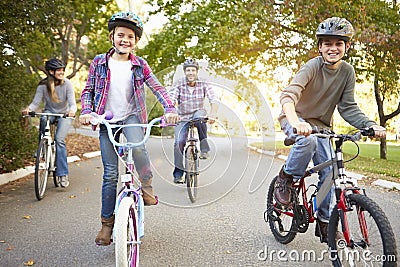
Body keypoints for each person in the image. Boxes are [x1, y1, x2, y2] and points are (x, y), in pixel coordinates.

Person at [274, 17, 386, 243]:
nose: (333, 48)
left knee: (330, 172)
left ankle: (325, 223)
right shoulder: (312, 67)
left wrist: (370, 125)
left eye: (338, 43)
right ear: (320, 47)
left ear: (347, 46)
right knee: (308, 141)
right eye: (327, 43)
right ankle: (285, 179)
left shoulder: (347, 72)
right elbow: (288, 96)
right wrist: (296, 122)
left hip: (322, 126)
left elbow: (348, 107)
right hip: (295, 118)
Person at [78, 11, 178, 246]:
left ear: (136, 41)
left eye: (130, 37)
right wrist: (86, 111)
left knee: (139, 148)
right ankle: (106, 225)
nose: (125, 40)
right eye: (121, 35)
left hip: (132, 116)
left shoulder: (140, 64)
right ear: (112, 36)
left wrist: (170, 108)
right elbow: (88, 91)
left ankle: (146, 184)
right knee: (110, 173)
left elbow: (158, 88)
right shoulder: (99, 63)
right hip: (107, 119)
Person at [22, 58, 77, 188]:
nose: (62, 72)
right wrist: (29, 109)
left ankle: (62, 174)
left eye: (62, 69)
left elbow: (72, 103)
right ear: (51, 72)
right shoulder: (42, 86)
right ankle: (41, 148)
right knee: (43, 118)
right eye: (59, 70)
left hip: (64, 114)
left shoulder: (67, 84)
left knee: (59, 140)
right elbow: (35, 103)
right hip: (49, 112)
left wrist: (71, 111)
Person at [168, 58, 218, 184]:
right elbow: (172, 99)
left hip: (198, 112)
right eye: (188, 70)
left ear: (197, 72)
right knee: (178, 142)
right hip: (183, 117)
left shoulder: (203, 83)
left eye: (193, 70)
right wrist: (171, 112)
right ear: (185, 72)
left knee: (200, 118)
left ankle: (204, 149)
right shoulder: (179, 83)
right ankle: (178, 174)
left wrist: (213, 114)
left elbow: (214, 99)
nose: (190, 73)